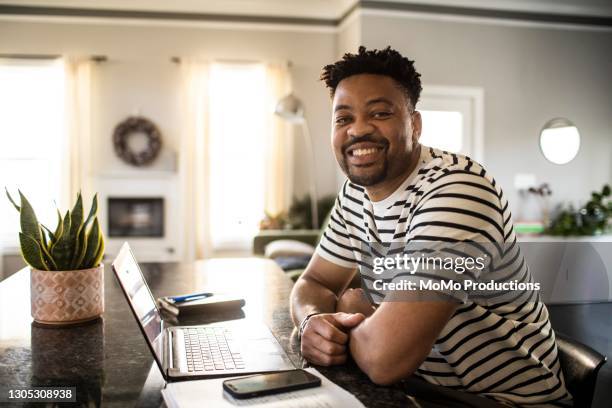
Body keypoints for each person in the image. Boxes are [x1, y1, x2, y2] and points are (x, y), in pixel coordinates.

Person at [290, 46, 571, 406]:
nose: (358, 129)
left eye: (379, 112)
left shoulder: (459, 190)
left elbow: (384, 358)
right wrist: (312, 320)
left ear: (415, 124)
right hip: (419, 389)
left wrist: (353, 305)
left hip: (501, 400)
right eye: (343, 119)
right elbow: (315, 283)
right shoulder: (354, 194)